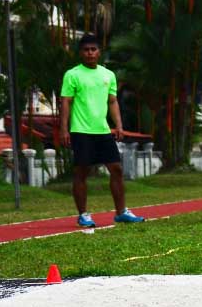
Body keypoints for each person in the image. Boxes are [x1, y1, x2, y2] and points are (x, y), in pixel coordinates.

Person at [61, 34, 144, 227]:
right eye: (86, 50)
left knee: (116, 169)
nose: (90, 53)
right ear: (80, 53)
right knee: (82, 172)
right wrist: (64, 130)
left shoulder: (108, 75)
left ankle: (121, 212)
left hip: (103, 131)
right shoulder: (72, 74)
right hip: (81, 130)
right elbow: (66, 102)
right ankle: (83, 215)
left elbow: (113, 102)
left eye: (93, 49)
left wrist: (119, 126)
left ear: (99, 52)